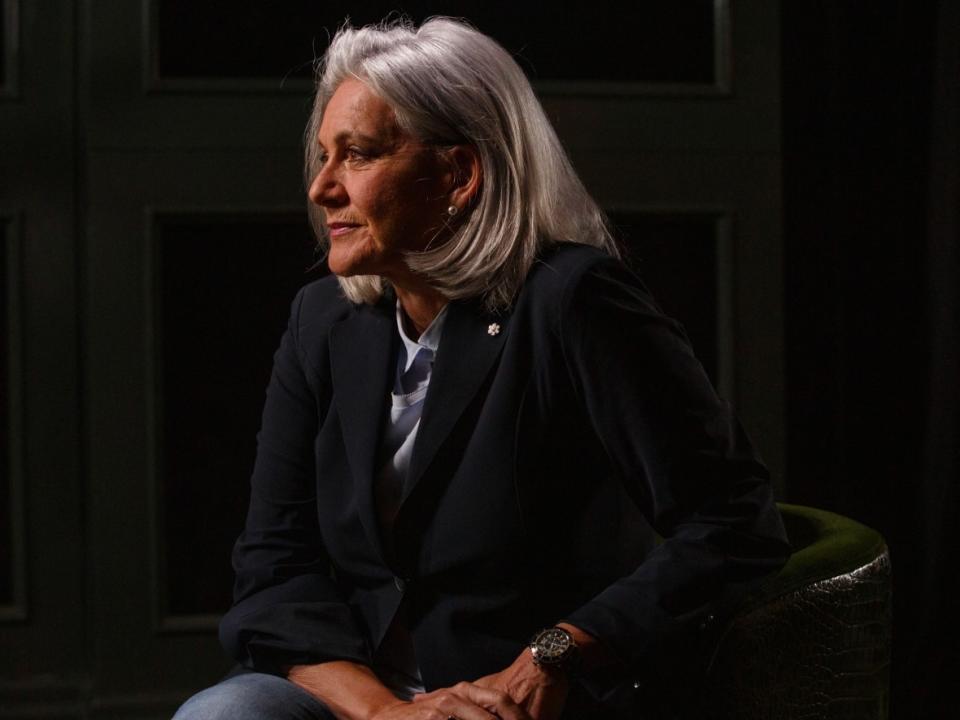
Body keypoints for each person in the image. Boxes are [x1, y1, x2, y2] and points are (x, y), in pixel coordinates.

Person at [173, 16, 790, 720]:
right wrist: (384, 713)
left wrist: (556, 653)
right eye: (324, 157)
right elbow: (274, 568)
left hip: (514, 701)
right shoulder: (323, 323)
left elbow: (733, 521)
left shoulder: (574, 302)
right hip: (361, 697)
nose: (322, 189)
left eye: (359, 155)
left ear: (459, 174)